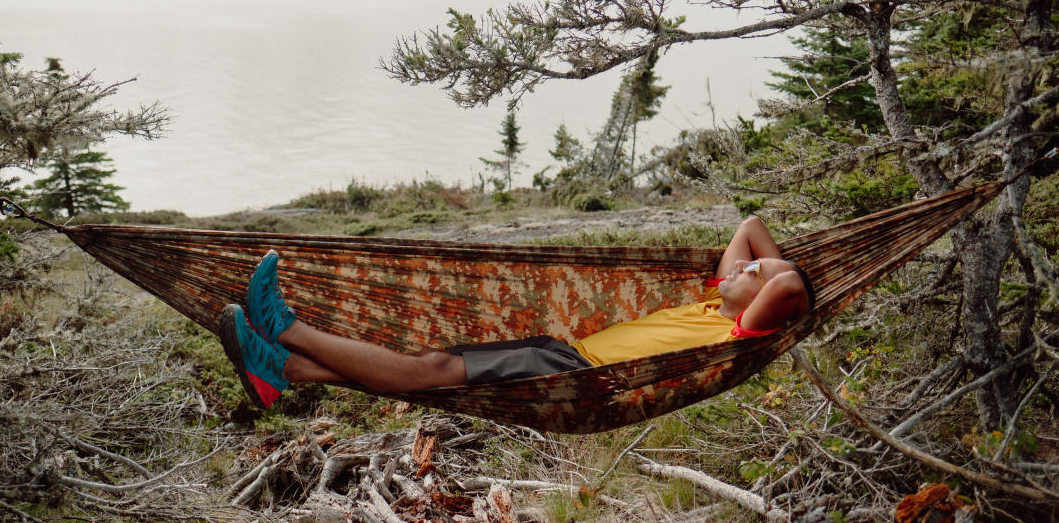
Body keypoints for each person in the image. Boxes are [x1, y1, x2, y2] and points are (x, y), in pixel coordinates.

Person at [219, 216, 816, 408]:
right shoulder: (717, 299)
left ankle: (285, 327)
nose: (741, 267)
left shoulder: (739, 328)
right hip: (565, 356)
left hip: (579, 376)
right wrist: (748, 273)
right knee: (430, 365)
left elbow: (788, 284)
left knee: (429, 371)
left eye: (749, 273)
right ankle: (282, 372)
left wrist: (772, 275)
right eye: (741, 269)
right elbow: (751, 226)